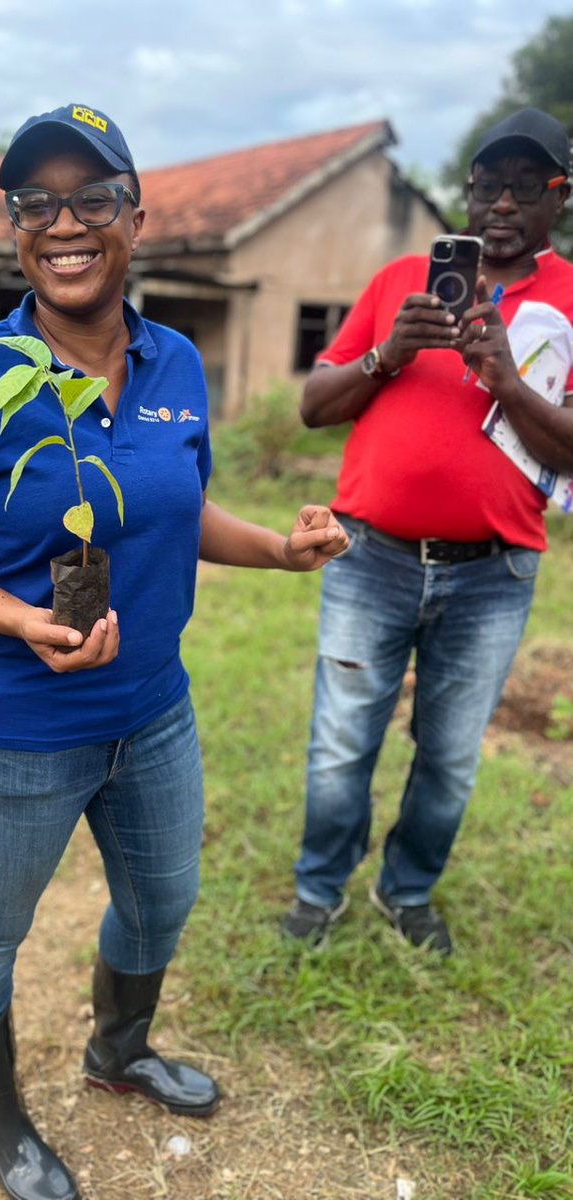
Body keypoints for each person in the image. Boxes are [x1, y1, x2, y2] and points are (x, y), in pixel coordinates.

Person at [0, 102, 348, 1200]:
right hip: (20, 727)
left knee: (161, 901)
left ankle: (118, 1050)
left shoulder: (177, 362)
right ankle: (2, 1123)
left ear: (135, 219)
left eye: (91, 198)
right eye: (36, 202)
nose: (64, 222)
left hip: (154, 714)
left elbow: (181, 510)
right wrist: (15, 621)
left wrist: (282, 554)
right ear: (16, 230)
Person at [281, 108, 573, 957]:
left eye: (528, 186)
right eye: (488, 186)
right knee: (340, 743)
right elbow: (311, 407)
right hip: (370, 557)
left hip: (494, 575)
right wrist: (386, 357)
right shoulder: (400, 280)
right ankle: (318, 890)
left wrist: (507, 383)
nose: (504, 204)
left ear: (561, 195)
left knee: (448, 757)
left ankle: (405, 891)